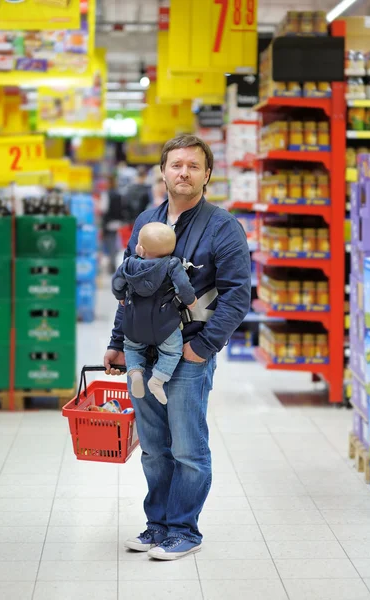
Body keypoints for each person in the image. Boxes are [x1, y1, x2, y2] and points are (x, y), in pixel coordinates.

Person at [104, 134, 251, 561]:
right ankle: (157, 525)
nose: (183, 172)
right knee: (153, 446)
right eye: (175, 165)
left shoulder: (223, 227)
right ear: (163, 171)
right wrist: (117, 343)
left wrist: (204, 346)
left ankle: (184, 529)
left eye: (192, 165)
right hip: (143, 352)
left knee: (187, 446)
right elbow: (129, 290)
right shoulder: (146, 221)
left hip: (187, 352)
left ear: (207, 174)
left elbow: (238, 295)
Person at [111, 221, 197, 405]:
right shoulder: (172, 265)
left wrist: (120, 296)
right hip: (164, 325)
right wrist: (191, 301)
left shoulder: (128, 264)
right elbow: (183, 286)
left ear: (140, 250)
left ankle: (135, 373)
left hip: (134, 323)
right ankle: (157, 380)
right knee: (173, 352)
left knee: (132, 348)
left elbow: (117, 283)